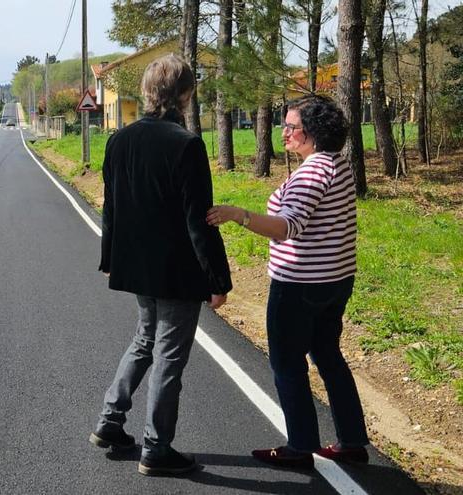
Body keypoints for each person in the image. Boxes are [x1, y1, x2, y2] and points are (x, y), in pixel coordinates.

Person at [206, 95, 369, 469]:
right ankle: (352, 441)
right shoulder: (337, 165)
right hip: (336, 279)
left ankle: (300, 447)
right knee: (328, 355)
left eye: (291, 127)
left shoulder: (313, 171)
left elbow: (285, 228)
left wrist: (238, 214)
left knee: (286, 362)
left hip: (300, 284)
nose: (285, 133)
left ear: (311, 133)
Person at [89, 54, 232, 477]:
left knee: (143, 342)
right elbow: (198, 220)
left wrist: (110, 259)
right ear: (185, 95)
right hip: (176, 272)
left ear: (148, 93)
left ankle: (109, 423)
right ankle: (157, 447)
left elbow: (111, 209)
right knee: (169, 356)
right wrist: (218, 279)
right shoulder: (186, 144)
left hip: (136, 267)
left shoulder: (119, 140)